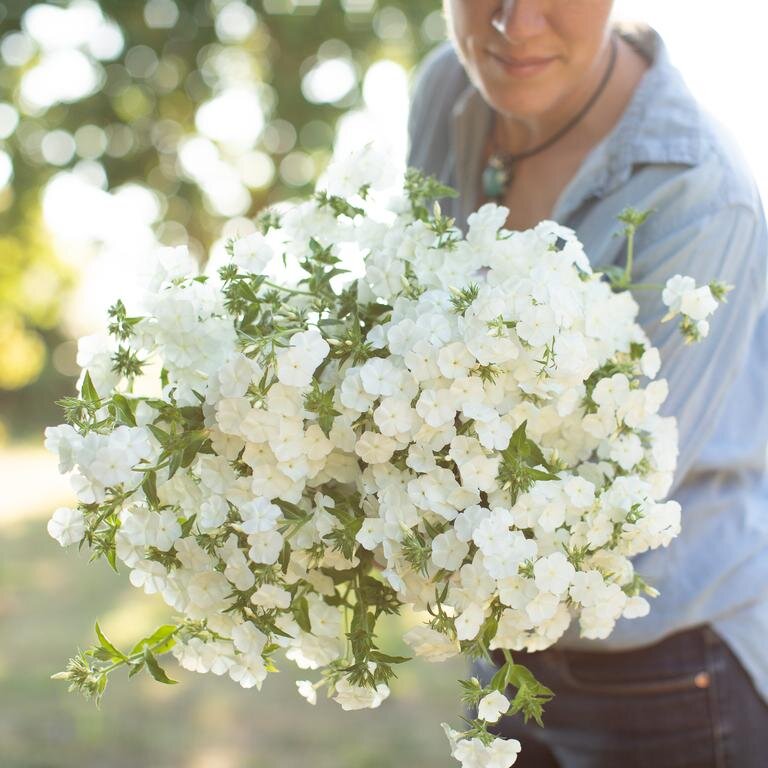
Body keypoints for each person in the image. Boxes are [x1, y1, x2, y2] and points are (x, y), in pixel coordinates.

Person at [407, 1, 768, 766]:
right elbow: (408, 318)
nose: (515, 22)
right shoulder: (450, 92)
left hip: (668, 667)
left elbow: (617, 502)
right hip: (503, 636)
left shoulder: (698, 192)